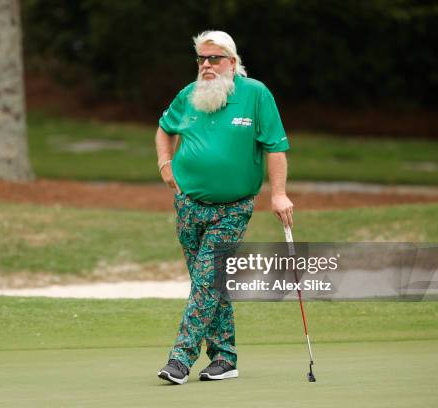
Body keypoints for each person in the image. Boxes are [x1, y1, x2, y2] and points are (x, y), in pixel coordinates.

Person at [155, 30, 294, 385]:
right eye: (201, 58)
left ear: (232, 62)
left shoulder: (256, 94)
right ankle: (225, 358)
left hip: (232, 208)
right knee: (211, 284)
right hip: (188, 205)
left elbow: (275, 147)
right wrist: (165, 163)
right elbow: (163, 128)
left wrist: (278, 194)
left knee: (206, 281)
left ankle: (180, 359)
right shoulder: (189, 94)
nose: (206, 65)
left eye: (214, 58)